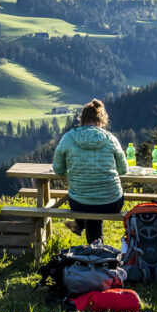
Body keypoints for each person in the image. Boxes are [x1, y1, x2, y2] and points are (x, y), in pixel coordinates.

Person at [52, 99, 128, 243]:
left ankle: (85, 233)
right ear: (102, 120)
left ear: (82, 119)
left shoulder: (68, 138)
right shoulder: (111, 139)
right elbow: (123, 170)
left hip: (79, 202)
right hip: (112, 202)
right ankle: (96, 248)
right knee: (95, 204)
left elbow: (59, 170)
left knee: (88, 202)